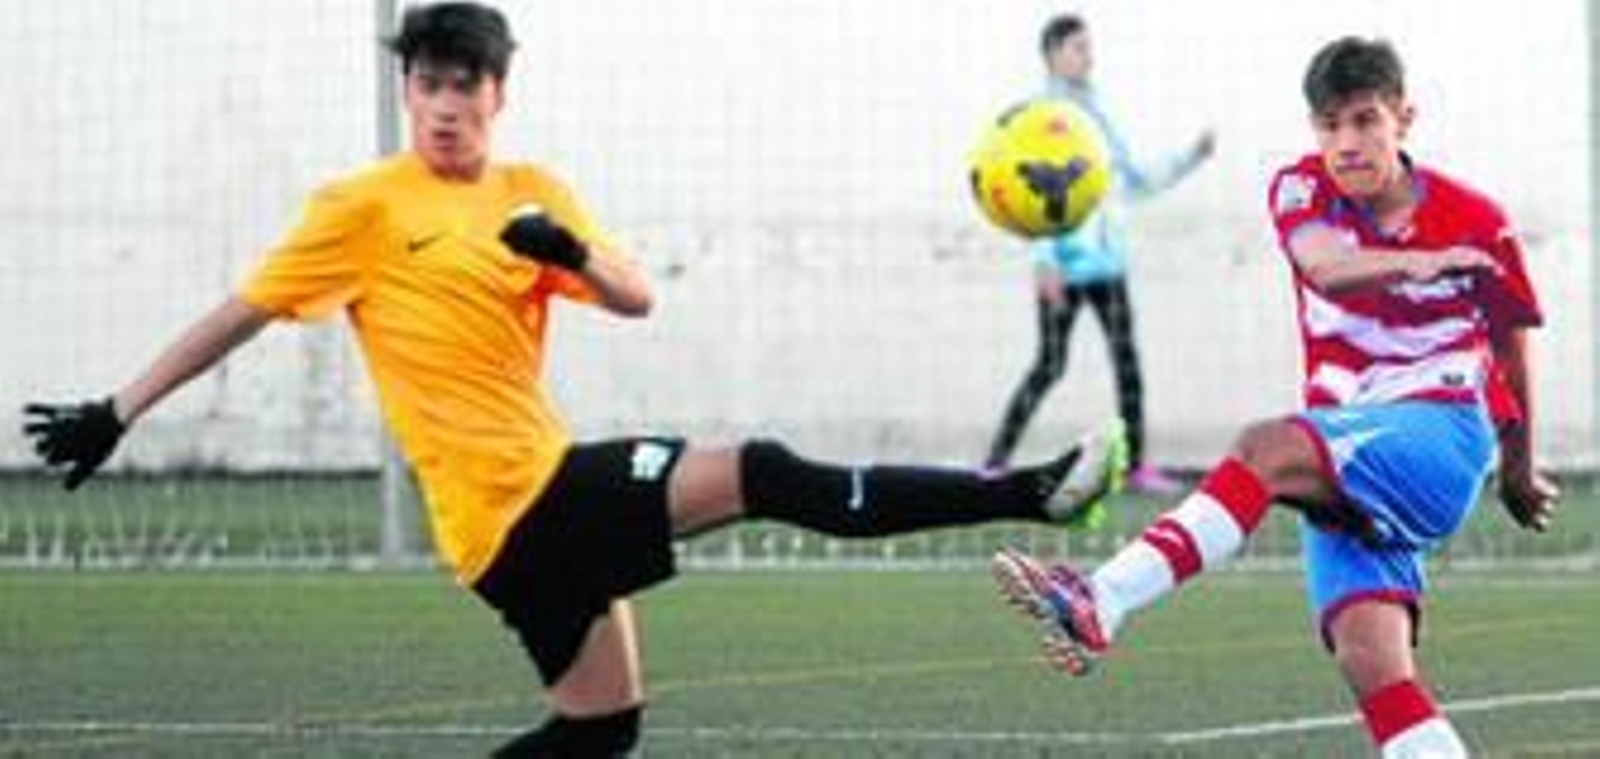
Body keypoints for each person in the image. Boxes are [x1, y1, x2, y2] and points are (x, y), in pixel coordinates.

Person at [20, 3, 1126, 756]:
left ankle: (1029, 492)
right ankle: (1031, 493)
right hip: (514, 505)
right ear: (408, 91)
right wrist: (120, 411)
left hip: (525, 514)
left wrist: (567, 252)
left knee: (600, 732)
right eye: (427, 84)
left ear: (500, 91)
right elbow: (240, 314)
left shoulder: (531, 189)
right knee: (763, 470)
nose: (445, 104)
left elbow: (636, 295)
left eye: (466, 85)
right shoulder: (358, 209)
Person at [990, 37, 1558, 756]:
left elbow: (1512, 344)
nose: (1345, 143)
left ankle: (1102, 597)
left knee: (1265, 449)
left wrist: (1516, 465)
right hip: (1347, 445)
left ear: (1403, 118)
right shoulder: (1300, 188)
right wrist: (1421, 260)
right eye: (1329, 125)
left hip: (1440, 434)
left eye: (1364, 120)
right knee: (1375, 670)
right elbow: (1326, 267)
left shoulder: (1477, 218)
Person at [983, 13, 1215, 495]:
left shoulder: (1096, 113)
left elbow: (1133, 180)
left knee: (1127, 362)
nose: (1089, 56)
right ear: (1052, 55)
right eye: (1078, 48)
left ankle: (1136, 467)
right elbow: (1031, 192)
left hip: (1107, 266)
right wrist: (1044, 259)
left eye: (1090, 47)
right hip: (1063, 269)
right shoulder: (1039, 116)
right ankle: (995, 462)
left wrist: (1191, 156)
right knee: (1049, 364)